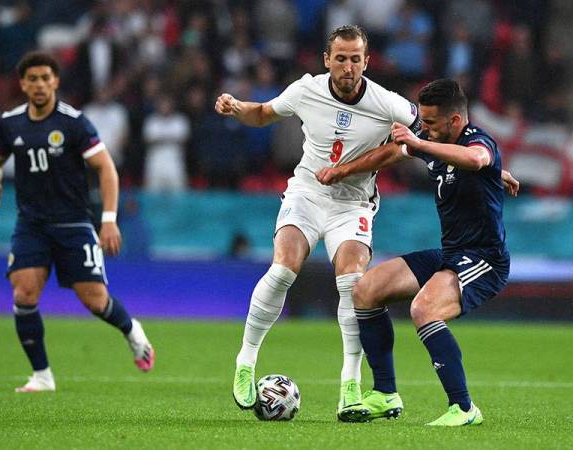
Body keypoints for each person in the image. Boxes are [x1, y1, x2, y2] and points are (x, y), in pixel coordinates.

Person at [215, 25, 421, 418]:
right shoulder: (306, 89)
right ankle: (245, 361)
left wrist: (352, 168)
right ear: (327, 60)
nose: (347, 67)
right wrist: (237, 107)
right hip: (307, 194)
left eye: (355, 59)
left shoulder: (388, 103)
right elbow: (263, 113)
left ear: (366, 61)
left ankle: (350, 384)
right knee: (283, 269)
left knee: (352, 283)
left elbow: (418, 138)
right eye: (340, 58)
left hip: (354, 204)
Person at [316, 78, 519, 425]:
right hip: (451, 252)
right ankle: (384, 393)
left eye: (430, 123)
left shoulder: (477, 140)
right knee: (365, 290)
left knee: (424, 308)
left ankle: (465, 408)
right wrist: (343, 170)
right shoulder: (432, 140)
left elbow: (476, 158)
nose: (423, 129)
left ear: (455, 121)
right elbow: (393, 153)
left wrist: (422, 144)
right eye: (421, 122)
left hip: (485, 259)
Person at [0, 51, 155, 393]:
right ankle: (42, 375)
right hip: (31, 224)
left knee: (94, 300)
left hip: (74, 224)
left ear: (56, 81)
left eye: (46, 78)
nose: (40, 85)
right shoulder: (9, 124)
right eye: (33, 79)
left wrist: (108, 220)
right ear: (23, 84)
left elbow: (106, 168)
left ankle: (131, 329)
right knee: (24, 292)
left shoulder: (73, 123)